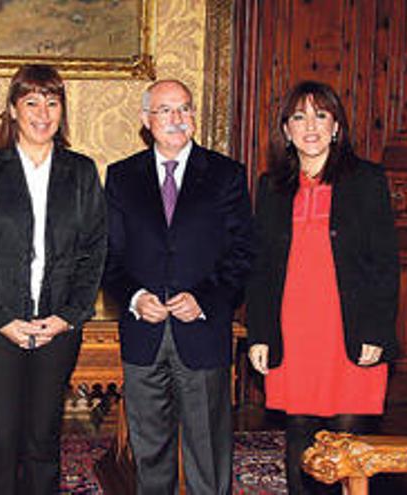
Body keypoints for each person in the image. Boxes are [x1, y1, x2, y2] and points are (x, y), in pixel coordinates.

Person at [0, 64, 107, 494]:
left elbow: (93, 250)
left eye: (52, 102)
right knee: (1, 440)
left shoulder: (80, 171)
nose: (43, 112)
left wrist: (67, 316)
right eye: (31, 102)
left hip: (58, 327)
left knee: (44, 439)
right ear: (12, 109)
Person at [246, 81, 399, 495]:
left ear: (336, 127)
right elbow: (259, 268)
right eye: (298, 116)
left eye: (320, 115)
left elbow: (386, 264)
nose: (309, 126)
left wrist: (377, 331)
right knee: (299, 430)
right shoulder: (271, 186)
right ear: (286, 129)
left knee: (348, 437)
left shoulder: (366, 180)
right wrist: (259, 334)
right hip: (294, 330)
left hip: (349, 327)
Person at [104, 79, 254, 494]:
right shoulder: (121, 177)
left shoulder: (225, 175)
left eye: (184, 109)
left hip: (202, 332)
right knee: (149, 448)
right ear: (145, 119)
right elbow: (108, 258)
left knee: (207, 449)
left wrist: (204, 299)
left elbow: (242, 253)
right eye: (165, 110)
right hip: (142, 332)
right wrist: (135, 297)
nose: (176, 118)